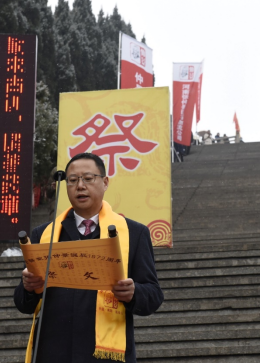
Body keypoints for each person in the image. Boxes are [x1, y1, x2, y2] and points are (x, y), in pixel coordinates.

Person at [14, 153, 164, 363]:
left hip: (105, 355)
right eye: (73, 180)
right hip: (52, 352)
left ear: (105, 182)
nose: (80, 186)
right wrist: (28, 288)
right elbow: (23, 304)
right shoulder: (44, 235)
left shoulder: (134, 233)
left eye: (88, 178)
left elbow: (153, 295)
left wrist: (133, 292)